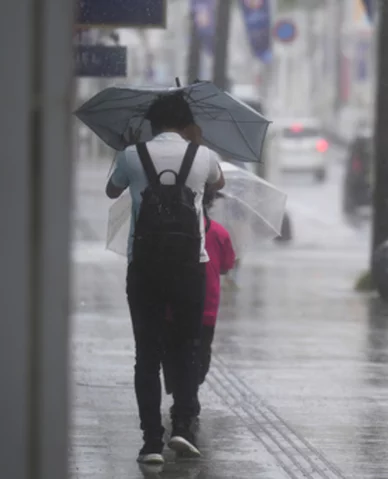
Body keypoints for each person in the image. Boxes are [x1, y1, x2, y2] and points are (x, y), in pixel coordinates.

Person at [105, 93, 225, 464]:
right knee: (188, 347)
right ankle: (184, 428)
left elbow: (112, 190)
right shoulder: (203, 156)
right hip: (191, 266)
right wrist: (197, 145)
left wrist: (127, 152)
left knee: (147, 354)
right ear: (186, 124)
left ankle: (151, 442)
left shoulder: (132, 156)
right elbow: (218, 185)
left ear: (152, 124)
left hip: (144, 266)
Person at [163, 190, 237, 415]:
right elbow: (226, 265)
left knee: (173, 350)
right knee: (200, 353)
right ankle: (188, 393)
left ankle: (179, 390)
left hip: (172, 306)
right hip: (207, 307)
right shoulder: (219, 233)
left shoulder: (170, 232)